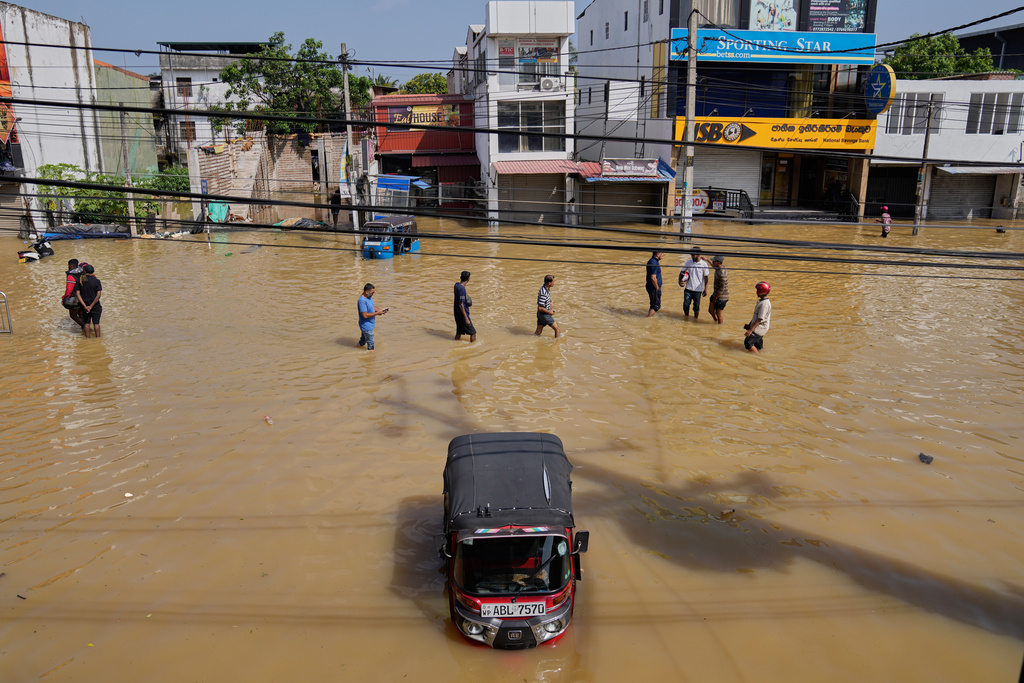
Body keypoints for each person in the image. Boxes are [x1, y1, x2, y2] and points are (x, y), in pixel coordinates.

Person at [678, 247, 710, 319]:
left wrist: (706, 289)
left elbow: (706, 278)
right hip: (688, 288)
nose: (692, 256)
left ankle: (696, 320)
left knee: (696, 307)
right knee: (686, 305)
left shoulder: (704, 264)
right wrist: (679, 281)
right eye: (691, 255)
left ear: (698, 255)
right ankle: (686, 318)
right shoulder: (688, 262)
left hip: (698, 290)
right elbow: (682, 272)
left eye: (693, 255)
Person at [743, 281, 772, 354]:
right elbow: (756, 316)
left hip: (760, 328)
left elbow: (759, 319)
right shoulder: (762, 301)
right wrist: (750, 325)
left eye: (757, 290)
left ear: (761, 291)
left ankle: (757, 357)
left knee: (748, 343)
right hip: (759, 327)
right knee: (758, 346)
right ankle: (761, 356)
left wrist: (750, 330)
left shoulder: (764, 304)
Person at [357, 282, 387, 351]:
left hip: (369, 325)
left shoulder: (369, 297)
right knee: (371, 346)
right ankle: (372, 360)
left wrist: (380, 311)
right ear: (367, 291)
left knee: (362, 342)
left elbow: (372, 307)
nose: (372, 294)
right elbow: (364, 315)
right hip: (366, 326)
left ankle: (356, 349)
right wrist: (377, 313)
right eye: (372, 293)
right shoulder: (362, 301)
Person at [75, 264, 102, 338]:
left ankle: (87, 338)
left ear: (85, 271)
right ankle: (98, 339)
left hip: (84, 306)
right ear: (93, 271)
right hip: (95, 305)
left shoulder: (80, 281)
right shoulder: (97, 281)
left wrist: (85, 306)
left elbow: (78, 294)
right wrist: (91, 306)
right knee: (96, 323)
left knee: (86, 323)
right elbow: (98, 295)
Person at [62, 258, 86, 328]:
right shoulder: (82, 272)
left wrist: (65, 298)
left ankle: (86, 328)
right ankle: (85, 331)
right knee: (81, 314)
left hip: (74, 298)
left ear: (70, 265)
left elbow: (69, 289)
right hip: (82, 297)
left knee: (73, 315)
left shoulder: (71, 276)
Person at [454, 271, 476, 342]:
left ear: (460, 277)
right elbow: (461, 305)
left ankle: (455, 344)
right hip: (462, 315)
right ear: (468, 279)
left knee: (459, 332)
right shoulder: (462, 289)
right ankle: (473, 350)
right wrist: (466, 318)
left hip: (457, 313)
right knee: (473, 333)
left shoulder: (456, 285)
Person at [707, 255, 730, 324]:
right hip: (716, 294)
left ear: (718, 262)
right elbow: (712, 265)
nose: (713, 262)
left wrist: (715, 298)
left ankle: (719, 327)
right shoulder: (718, 267)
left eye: (714, 261)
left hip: (722, 296)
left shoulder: (722, 274)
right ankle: (716, 321)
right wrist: (707, 259)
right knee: (710, 310)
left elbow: (721, 289)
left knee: (719, 313)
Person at [645, 251, 663, 318]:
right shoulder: (654, 262)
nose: (662, 255)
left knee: (653, 305)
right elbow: (653, 278)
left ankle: (649, 317)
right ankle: (648, 318)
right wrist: (657, 288)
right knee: (656, 306)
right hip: (653, 287)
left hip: (652, 287)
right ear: (657, 254)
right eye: (661, 253)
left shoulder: (653, 261)